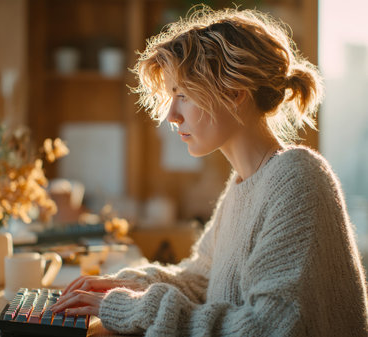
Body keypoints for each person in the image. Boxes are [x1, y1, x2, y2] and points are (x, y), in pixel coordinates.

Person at [50, 6, 368, 336]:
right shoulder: (244, 184)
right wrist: (127, 283)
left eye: (183, 95)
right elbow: (203, 279)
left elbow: (268, 327)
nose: (171, 114)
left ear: (234, 94)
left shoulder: (298, 178)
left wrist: (132, 307)